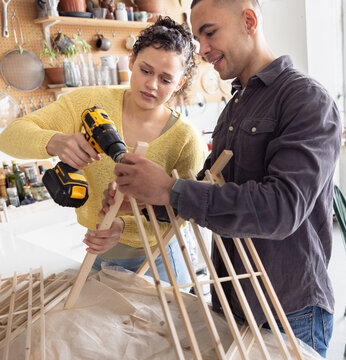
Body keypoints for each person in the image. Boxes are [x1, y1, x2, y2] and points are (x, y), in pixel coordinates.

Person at [103, 0, 341, 357]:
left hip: (289, 309)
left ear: (249, 20)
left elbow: (281, 209)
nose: (203, 50)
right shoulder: (236, 106)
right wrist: (142, 198)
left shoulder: (306, 100)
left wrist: (170, 189)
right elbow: (204, 191)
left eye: (210, 33)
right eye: (198, 38)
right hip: (231, 301)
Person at [0, 16, 205, 285]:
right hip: (99, 255)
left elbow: (185, 214)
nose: (152, 85)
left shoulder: (185, 138)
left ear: (179, 83)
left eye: (166, 79)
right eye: (145, 70)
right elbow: (9, 137)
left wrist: (123, 226)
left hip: (160, 260)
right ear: (131, 62)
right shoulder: (88, 103)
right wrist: (56, 141)